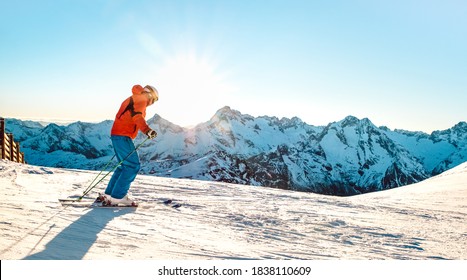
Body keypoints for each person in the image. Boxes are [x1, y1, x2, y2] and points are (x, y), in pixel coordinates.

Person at [101, 84, 159, 206]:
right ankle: (118, 197)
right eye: (154, 100)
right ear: (150, 95)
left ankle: (110, 194)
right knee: (132, 166)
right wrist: (147, 130)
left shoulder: (134, 98)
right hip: (122, 136)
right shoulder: (141, 99)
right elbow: (137, 117)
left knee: (123, 166)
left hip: (117, 134)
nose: (152, 103)